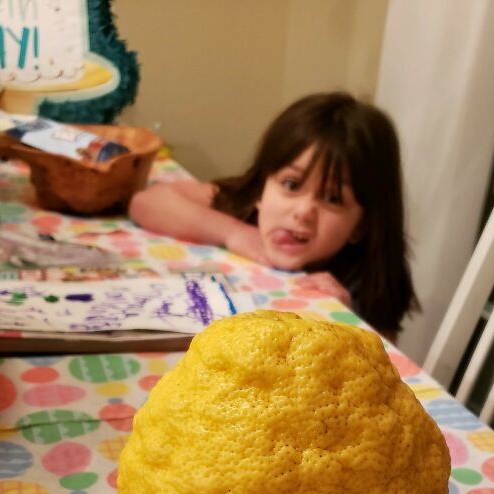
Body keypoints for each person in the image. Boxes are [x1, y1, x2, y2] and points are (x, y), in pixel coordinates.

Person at [129, 92, 417, 341]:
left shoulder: (368, 281)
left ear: (361, 226)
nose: (303, 211)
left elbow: (391, 370)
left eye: (333, 199)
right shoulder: (244, 208)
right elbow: (146, 202)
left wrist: (346, 321)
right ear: (261, 190)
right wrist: (234, 233)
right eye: (291, 185)